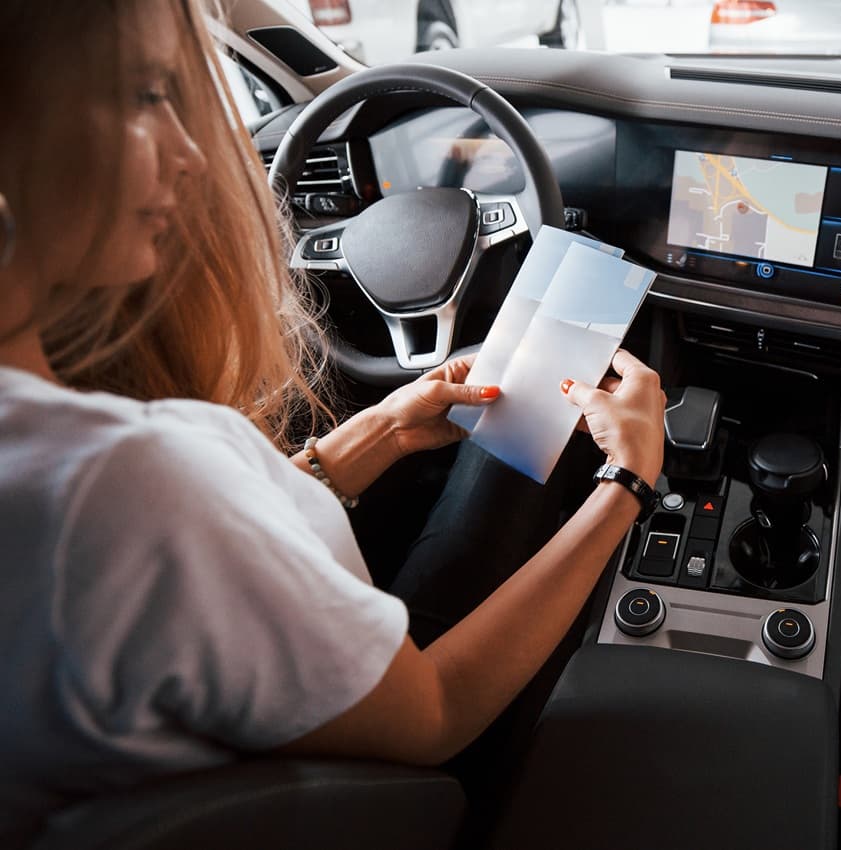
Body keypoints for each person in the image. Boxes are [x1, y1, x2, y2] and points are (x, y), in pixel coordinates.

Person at [0, 0, 665, 842]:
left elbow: (210, 555)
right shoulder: (118, 485)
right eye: (143, 96)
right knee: (548, 419)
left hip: (298, 702)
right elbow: (436, 713)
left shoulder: (74, 467)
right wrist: (627, 484)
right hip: (385, 766)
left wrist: (381, 429)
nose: (193, 152)